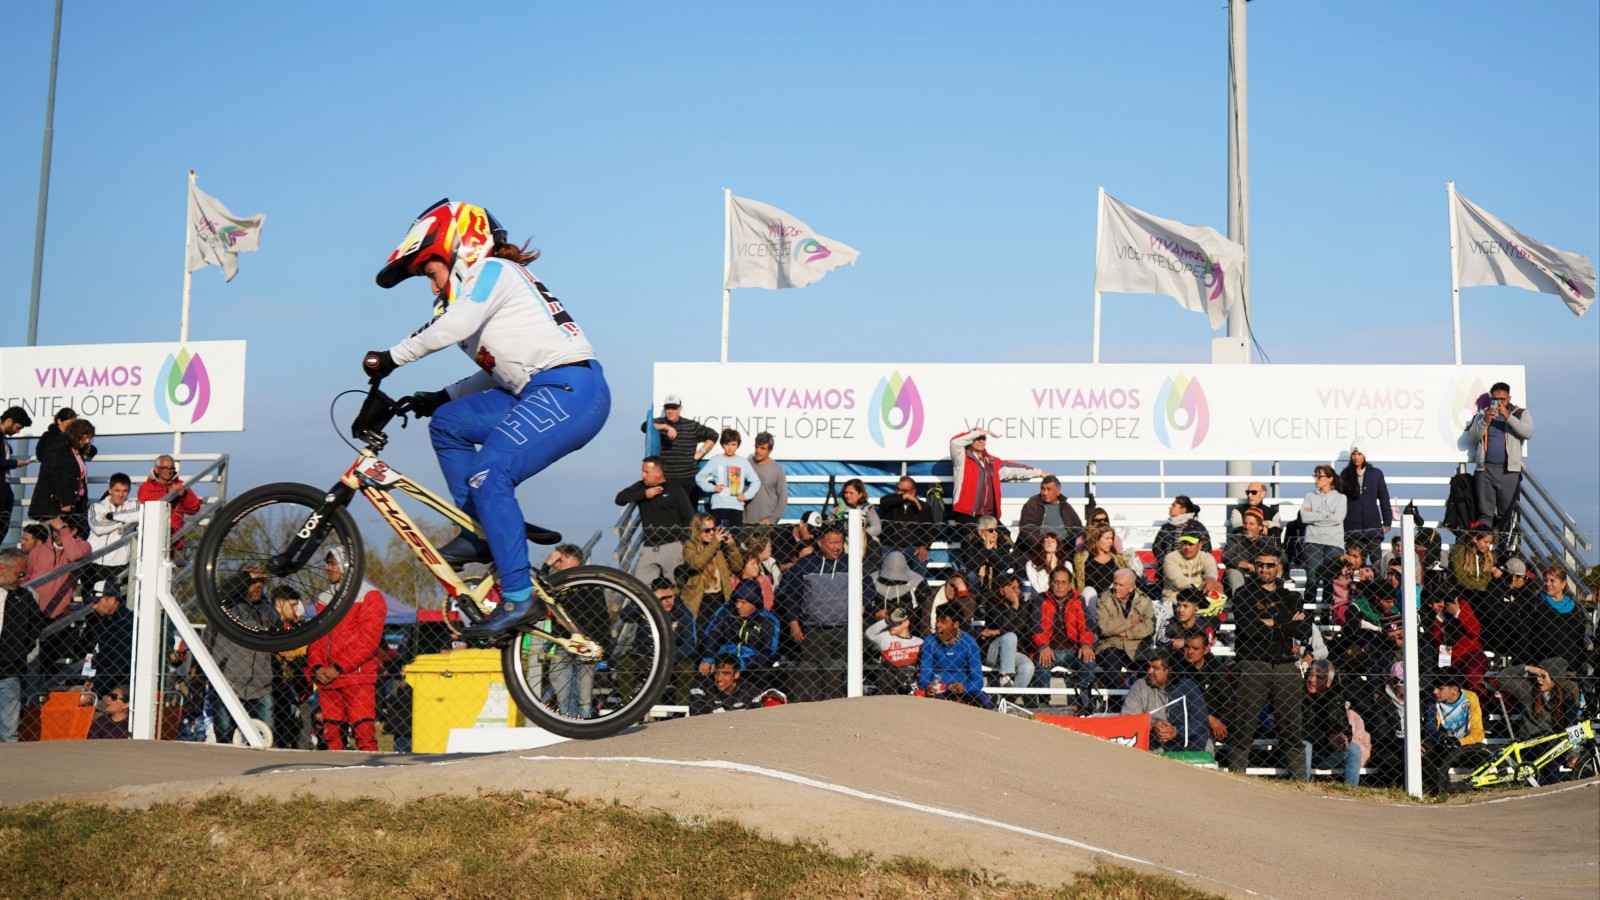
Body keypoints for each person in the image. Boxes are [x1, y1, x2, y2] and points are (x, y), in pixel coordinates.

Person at [368, 199, 610, 639]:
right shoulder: (482, 293)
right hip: (536, 388)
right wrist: (440, 395)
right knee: (447, 422)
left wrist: (389, 358)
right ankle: (478, 530)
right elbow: (496, 368)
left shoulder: (496, 272)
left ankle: (519, 598)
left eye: (430, 272)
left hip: (571, 390)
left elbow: (453, 326)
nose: (430, 286)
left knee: (489, 472)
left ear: (459, 247)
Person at [1226, 548, 1310, 778]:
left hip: (1286, 666)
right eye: (1260, 564)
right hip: (1252, 665)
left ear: (1280, 568)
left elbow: (1303, 630)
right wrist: (1285, 624)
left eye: (1270, 565)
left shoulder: (1292, 597)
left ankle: (1300, 785)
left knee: (1292, 733)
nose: (1264, 569)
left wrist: (1269, 623)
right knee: (1243, 730)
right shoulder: (1242, 594)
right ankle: (1234, 782)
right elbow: (1248, 627)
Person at [306, 548, 387, 750]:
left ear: (346, 565)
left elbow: (369, 640)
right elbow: (316, 635)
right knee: (332, 735)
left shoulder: (369, 595)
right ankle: (336, 777)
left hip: (357, 677)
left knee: (364, 734)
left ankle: (372, 776)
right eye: (328, 563)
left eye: (333, 563)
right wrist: (316, 667)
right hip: (328, 677)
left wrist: (338, 667)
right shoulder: (324, 598)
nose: (328, 568)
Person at [779, 527, 857, 702]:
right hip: (813, 631)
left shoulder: (852, 563)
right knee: (811, 675)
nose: (837, 547)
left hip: (844, 630)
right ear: (820, 543)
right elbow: (791, 595)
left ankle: (838, 711)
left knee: (837, 675)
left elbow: (868, 586)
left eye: (840, 542)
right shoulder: (805, 564)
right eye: (832, 543)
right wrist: (793, 622)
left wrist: (862, 604)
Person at [205, 568, 280, 744]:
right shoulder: (224, 605)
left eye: (262, 581)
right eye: (252, 581)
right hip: (227, 683)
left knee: (267, 740)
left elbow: (278, 625)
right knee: (225, 737)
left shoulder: (267, 609)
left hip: (261, 686)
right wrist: (243, 578)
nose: (258, 585)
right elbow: (221, 593)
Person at [1465, 381, 1533, 539]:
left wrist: (1508, 417)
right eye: (1495, 399)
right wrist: (1485, 421)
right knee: (1485, 514)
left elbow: (1528, 432)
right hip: (1486, 470)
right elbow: (1473, 437)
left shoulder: (1520, 413)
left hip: (1509, 471)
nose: (1499, 403)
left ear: (1509, 398)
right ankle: (1484, 550)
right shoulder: (1483, 415)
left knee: (1506, 514)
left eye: (1502, 399)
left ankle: (1503, 551)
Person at [615, 456, 693, 586]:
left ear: (658, 473)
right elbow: (619, 499)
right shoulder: (640, 487)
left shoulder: (675, 489)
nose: (642, 475)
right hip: (649, 547)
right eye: (642, 471)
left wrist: (682, 542)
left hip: (673, 545)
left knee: (678, 586)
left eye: (646, 472)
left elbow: (689, 516)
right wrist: (644, 495)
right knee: (640, 588)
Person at [1032, 568, 1098, 714]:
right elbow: (1036, 627)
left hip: (1072, 650)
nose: (1060, 586)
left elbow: (1086, 625)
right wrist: (1043, 646)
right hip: (1049, 649)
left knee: (1089, 660)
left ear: (1070, 585)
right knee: (1042, 660)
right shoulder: (1040, 600)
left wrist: (1086, 644)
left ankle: (1084, 703)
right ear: (1050, 584)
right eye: (1056, 582)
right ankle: (1044, 705)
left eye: (1064, 582)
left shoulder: (1077, 599)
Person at [1121, 650, 1210, 753]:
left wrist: (1176, 731)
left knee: (1208, 746)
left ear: (1169, 670)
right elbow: (1128, 719)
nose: (1149, 671)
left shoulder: (1189, 687)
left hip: (1184, 739)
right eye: (1148, 667)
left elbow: (1201, 721)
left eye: (1155, 668)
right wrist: (1151, 727)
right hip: (1152, 741)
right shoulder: (1140, 685)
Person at [643, 395, 718, 510]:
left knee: (689, 513)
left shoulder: (691, 425)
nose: (670, 411)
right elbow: (645, 426)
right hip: (667, 478)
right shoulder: (659, 423)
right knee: (669, 513)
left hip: (689, 478)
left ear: (680, 409)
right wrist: (665, 427)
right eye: (668, 407)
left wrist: (701, 451)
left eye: (674, 407)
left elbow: (713, 435)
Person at [1422, 669, 1491, 793]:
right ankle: (1439, 789)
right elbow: (1430, 726)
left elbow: (1478, 731)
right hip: (1441, 744)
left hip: (1464, 744)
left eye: (1440, 688)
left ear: (1454, 690)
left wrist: (1459, 742)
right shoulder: (1432, 700)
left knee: (1482, 754)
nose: (1435, 691)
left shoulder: (1471, 698)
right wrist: (1442, 737)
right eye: (1434, 687)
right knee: (1424, 751)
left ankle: (1479, 789)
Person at [0, 548, 43, 742]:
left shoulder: (24, 598)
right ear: (2, 569)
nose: (23, 578)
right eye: (20, 573)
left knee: (9, 732)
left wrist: (16, 654)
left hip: (9, 672)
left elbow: (34, 630)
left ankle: (11, 770)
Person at [1302, 660, 1367, 786]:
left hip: (1326, 751)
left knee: (1354, 749)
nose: (1311, 680)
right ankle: (1303, 786)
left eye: (1318, 677)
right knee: (1306, 747)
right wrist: (1327, 738)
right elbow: (1296, 730)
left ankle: (1351, 790)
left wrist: (1344, 736)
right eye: (1310, 674)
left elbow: (1343, 723)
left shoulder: (1336, 697)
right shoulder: (1298, 694)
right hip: (1299, 752)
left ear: (1328, 683)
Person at [698, 583, 781, 677]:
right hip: (724, 658)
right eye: (737, 601)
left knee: (763, 672)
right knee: (704, 670)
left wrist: (742, 663)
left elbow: (768, 652)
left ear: (754, 603)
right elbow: (713, 634)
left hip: (750, 663)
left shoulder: (769, 621)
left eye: (743, 602)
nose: (738, 606)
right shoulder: (726, 610)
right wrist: (708, 657)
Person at [29, 417, 95, 532]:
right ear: (77, 434)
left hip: (75, 506)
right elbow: (52, 474)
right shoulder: (57, 446)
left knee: (70, 540)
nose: (88, 441)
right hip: (56, 506)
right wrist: (64, 501)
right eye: (86, 437)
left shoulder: (76, 450)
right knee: (55, 538)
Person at [918, 606, 990, 708]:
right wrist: (927, 686)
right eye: (937, 621)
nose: (937, 625)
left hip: (963, 689)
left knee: (987, 703)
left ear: (955, 624)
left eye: (943, 622)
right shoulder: (930, 641)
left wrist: (965, 687)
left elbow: (978, 681)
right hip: (939, 689)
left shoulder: (969, 643)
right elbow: (924, 676)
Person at [1174, 632, 1235, 751]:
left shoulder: (1216, 669)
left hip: (1215, 719)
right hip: (1185, 718)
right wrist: (1207, 719)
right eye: (1187, 647)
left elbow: (1227, 700)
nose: (1190, 652)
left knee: (1239, 733)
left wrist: (1220, 722)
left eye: (1195, 648)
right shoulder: (1176, 668)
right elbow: (1176, 701)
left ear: (1206, 650)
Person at [21, 517, 91, 620]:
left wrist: (63, 529)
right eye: (54, 530)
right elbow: (28, 577)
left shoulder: (83, 546)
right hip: (33, 610)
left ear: (74, 531)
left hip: (60, 613)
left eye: (61, 530)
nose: (56, 534)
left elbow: (74, 555)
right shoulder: (38, 550)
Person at [680, 513, 744, 622]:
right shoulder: (689, 546)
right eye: (707, 530)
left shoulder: (719, 546)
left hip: (720, 598)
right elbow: (696, 564)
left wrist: (731, 547)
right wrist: (714, 544)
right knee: (700, 635)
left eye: (713, 529)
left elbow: (737, 567)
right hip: (700, 599)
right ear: (697, 530)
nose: (712, 533)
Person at [1521, 566, 1586, 672]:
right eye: (1545, 580)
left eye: (1552, 580)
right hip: (1542, 670)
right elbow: (1525, 636)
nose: (1547, 584)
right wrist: (1530, 662)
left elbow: (1579, 639)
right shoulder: (1535, 604)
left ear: (1563, 584)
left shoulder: (1576, 609)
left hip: (1569, 671)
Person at [1299, 465, 1347, 606]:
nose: (1316, 478)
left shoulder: (1340, 498)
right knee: (1312, 580)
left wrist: (1314, 516)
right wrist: (1327, 515)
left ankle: (1326, 617)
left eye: (1320, 476)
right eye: (1315, 475)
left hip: (1334, 543)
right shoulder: (1309, 496)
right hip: (1313, 542)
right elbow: (1304, 517)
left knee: (1330, 581)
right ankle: (1308, 619)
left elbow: (1338, 518)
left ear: (1330, 479)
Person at [979, 571, 1035, 691]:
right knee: (1010, 637)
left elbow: (1018, 628)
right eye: (1013, 588)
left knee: (1028, 666)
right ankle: (1005, 677)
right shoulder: (992, 605)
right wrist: (1014, 605)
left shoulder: (1024, 606)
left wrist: (995, 631)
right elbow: (1006, 627)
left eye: (1018, 588)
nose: (1017, 591)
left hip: (1013, 651)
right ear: (1002, 590)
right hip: (993, 652)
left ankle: (1010, 699)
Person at [1095, 568, 1155, 682]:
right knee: (1112, 655)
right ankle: (1114, 697)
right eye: (1115, 583)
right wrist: (1131, 622)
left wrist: (1127, 633)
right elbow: (1104, 628)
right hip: (1111, 645)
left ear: (1131, 587)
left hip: (1137, 647)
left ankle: (1141, 694)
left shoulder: (1144, 600)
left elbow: (1149, 626)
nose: (1116, 588)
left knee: (1149, 662)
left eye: (1121, 585)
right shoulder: (1104, 599)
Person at [696, 428, 762, 530]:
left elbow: (756, 481)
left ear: (737, 445)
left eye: (733, 444)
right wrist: (712, 488)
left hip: (736, 507)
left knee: (734, 539)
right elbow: (699, 477)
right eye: (727, 444)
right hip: (718, 507)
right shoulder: (715, 460)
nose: (730, 448)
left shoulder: (743, 462)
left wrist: (746, 495)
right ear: (722, 444)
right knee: (719, 539)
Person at [85, 473, 140, 590]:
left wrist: (111, 516)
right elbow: (98, 528)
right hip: (95, 563)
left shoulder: (134, 505)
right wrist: (126, 520)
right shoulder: (96, 506)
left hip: (121, 564)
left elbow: (140, 515)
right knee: (92, 604)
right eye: (117, 490)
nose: (121, 495)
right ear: (109, 490)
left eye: (125, 491)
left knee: (119, 604)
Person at [138, 455, 204, 550]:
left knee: (175, 564)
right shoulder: (146, 488)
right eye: (164, 468)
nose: (169, 471)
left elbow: (194, 509)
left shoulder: (181, 485)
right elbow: (146, 512)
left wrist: (184, 495)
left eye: (171, 468)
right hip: (152, 541)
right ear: (156, 469)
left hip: (175, 541)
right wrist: (168, 498)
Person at [83, 580, 135, 698]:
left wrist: (95, 690)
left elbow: (119, 664)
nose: (94, 606)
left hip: (118, 691)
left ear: (112, 599)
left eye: (98, 601)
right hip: (105, 685)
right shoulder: (107, 620)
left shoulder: (125, 623)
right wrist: (89, 678)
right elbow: (96, 652)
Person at [1072, 523, 1129, 630]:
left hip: (1113, 603)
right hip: (1092, 604)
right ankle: (1092, 631)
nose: (1111, 541)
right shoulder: (1082, 560)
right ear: (1096, 539)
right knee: (1088, 591)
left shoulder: (1118, 560)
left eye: (1112, 538)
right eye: (1107, 538)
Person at [1339, 446, 1392, 561]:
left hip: (1372, 525)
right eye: (1354, 454)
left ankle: (1377, 580)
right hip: (1352, 528)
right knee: (1354, 564)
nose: (1356, 457)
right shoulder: (1344, 475)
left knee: (1376, 563)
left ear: (1364, 455)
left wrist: (1387, 520)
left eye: (1359, 454)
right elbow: (1339, 500)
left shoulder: (1376, 474)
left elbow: (1384, 498)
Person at [877, 476, 934, 576]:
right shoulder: (891, 503)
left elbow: (930, 529)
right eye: (897, 489)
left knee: (921, 557)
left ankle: (917, 589)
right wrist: (905, 496)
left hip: (913, 548)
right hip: (890, 546)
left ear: (913, 491)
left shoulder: (924, 507)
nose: (899, 493)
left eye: (903, 491)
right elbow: (883, 501)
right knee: (880, 560)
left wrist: (924, 546)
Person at [865, 607, 923, 695]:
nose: (891, 625)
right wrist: (887, 620)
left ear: (906, 623)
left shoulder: (919, 642)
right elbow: (869, 633)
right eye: (890, 622)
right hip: (887, 686)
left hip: (909, 686)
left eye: (896, 622)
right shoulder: (885, 638)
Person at [1017, 475, 1083, 553]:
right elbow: (1027, 530)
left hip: (1066, 551)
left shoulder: (1066, 507)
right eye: (1043, 489)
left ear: (1058, 491)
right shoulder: (1032, 504)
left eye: (1049, 489)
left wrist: (1071, 544)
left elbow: (1078, 529)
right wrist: (1044, 546)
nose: (1045, 493)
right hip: (1039, 551)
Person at [1222, 508, 1280, 591]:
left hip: (1261, 575)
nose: (1247, 527)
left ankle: (1270, 598)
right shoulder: (1235, 538)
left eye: (1251, 523)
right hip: (1240, 577)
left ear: (1260, 527)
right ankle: (1239, 601)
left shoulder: (1267, 541)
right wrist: (1245, 564)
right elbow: (1226, 556)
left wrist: (1263, 565)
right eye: (1245, 523)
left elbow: (1282, 557)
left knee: (1277, 568)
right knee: (1232, 571)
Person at [688, 654, 763, 715]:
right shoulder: (702, 688)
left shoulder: (749, 690)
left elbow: (758, 719)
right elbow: (697, 720)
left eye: (725, 673)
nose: (719, 678)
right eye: (716, 673)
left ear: (736, 674)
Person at [742, 432, 788, 527]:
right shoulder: (746, 465)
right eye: (756, 447)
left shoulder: (777, 469)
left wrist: (773, 519)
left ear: (770, 450)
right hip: (745, 522)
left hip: (766, 524)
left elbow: (783, 498)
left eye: (763, 448)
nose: (758, 450)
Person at [0, 407, 33, 539]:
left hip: (5, 486)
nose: (18, 432)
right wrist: (15, 463)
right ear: (9, 421)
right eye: (18, 427)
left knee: (3, 525)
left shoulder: (3, 439)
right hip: (2, 486)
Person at [1152, 496, 1212, 563]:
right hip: (1168, 569)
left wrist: (1193, 563)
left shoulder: (1196, 526)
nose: (1170, 507)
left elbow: (1206, 547)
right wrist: (1167, 562)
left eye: (1174, 505)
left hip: (1192, 569)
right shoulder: (1165, 527)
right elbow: (1156, 547)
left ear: (1183, 509)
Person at [1023, 532, 1068, 596]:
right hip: (1041, 599)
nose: (1049, 542)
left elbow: (1065, 588)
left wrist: (1054, 569)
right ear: (1042, 544)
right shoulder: (1031, 564)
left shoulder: (1066, 564)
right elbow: (1040, 589)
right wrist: (1047, 569)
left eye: (1053, 541)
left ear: (1057, 547)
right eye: (1046, 540)